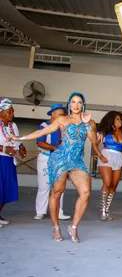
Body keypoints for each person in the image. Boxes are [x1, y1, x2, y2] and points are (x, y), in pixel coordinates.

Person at [9, 92, 97, 243]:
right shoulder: (62, 119)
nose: (76, 105)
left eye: (79, 102)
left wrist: (87, 123)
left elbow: (94, 141)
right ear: (69, 104)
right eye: (73, 102)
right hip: (61, 158)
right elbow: (42, 132)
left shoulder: (89, 121)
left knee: (85, 192)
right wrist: (20, 138)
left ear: (83, 105)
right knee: (56, 192)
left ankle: (73, 227)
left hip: (77, 161)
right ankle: (55, 227)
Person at [34, 104, 71, 221]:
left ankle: (59, 212)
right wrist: (54, 148)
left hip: (60, 159)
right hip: (46, 158)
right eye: (60, 115)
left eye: (63, 115)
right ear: (53, 114)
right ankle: (40, 211)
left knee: (59, 187)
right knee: (44, 186)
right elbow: (40, 142)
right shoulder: (44, 126)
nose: (62, 117)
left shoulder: (63, 127)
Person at [93, 111, 122, 221]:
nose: (120, 121)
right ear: (112, 120)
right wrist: (100, 156)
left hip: (119, 157)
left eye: (121, 119)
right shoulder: (104, 132)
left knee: (114, 185)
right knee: (107, 182)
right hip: (107, 156)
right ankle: (103, 210)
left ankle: (107, 209)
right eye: (117, 119)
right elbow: (94, 144)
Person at [0, 98, 27, 227]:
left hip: (9, 161)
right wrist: (4, 148)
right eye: (9, 111)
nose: (12, 114)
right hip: (0, 159)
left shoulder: (13, 126)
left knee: (7, 189)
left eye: (12, 111)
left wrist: (21, 147)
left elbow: (17, 139)